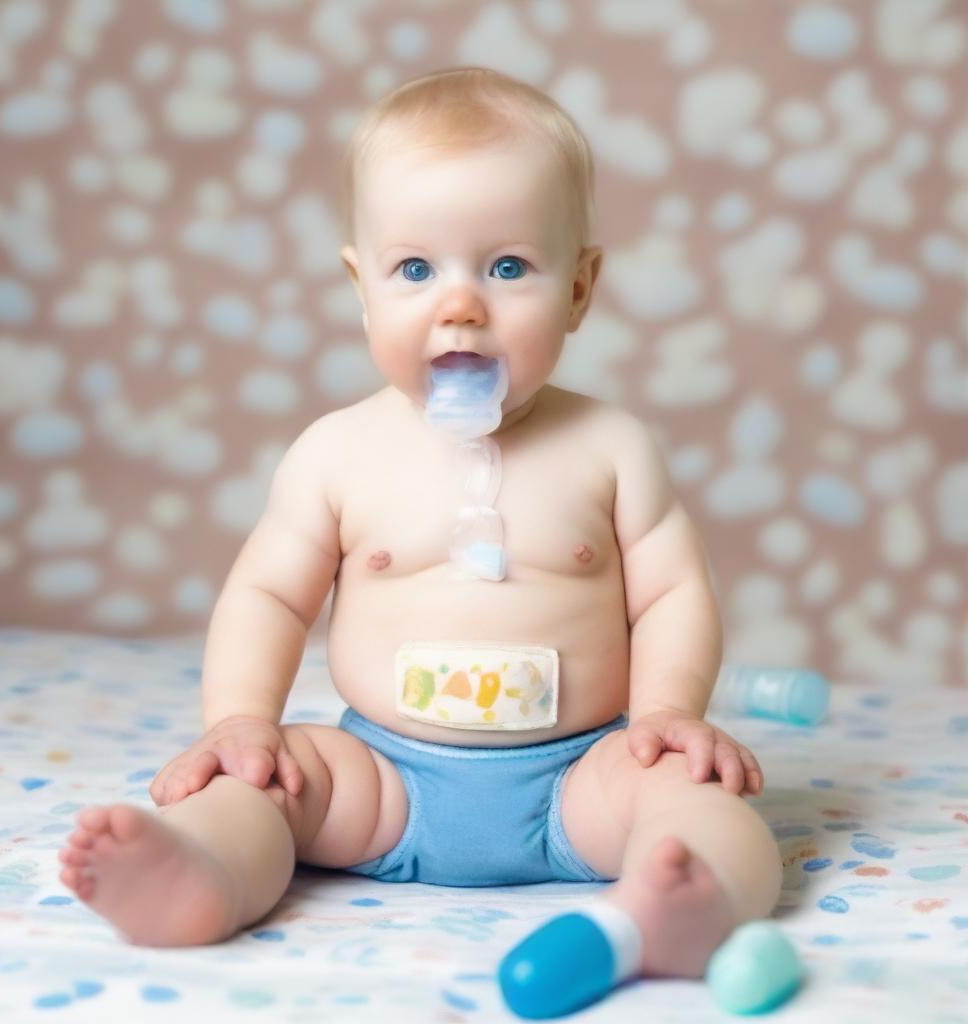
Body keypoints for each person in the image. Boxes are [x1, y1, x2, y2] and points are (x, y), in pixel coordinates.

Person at [58, 67, 782, 980]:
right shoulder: (337, 452)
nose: (461, 303)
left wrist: (669, 713)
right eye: (415, 269)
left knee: (698, 797)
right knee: (267, 782)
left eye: (508, 267)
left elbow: (674, 590)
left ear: (581, 289)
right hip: (384, 779)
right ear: (363, 290)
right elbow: (269, 595)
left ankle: (685, 899)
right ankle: (199, 876)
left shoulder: (611, 446)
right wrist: (240, 719)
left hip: (581, 776)